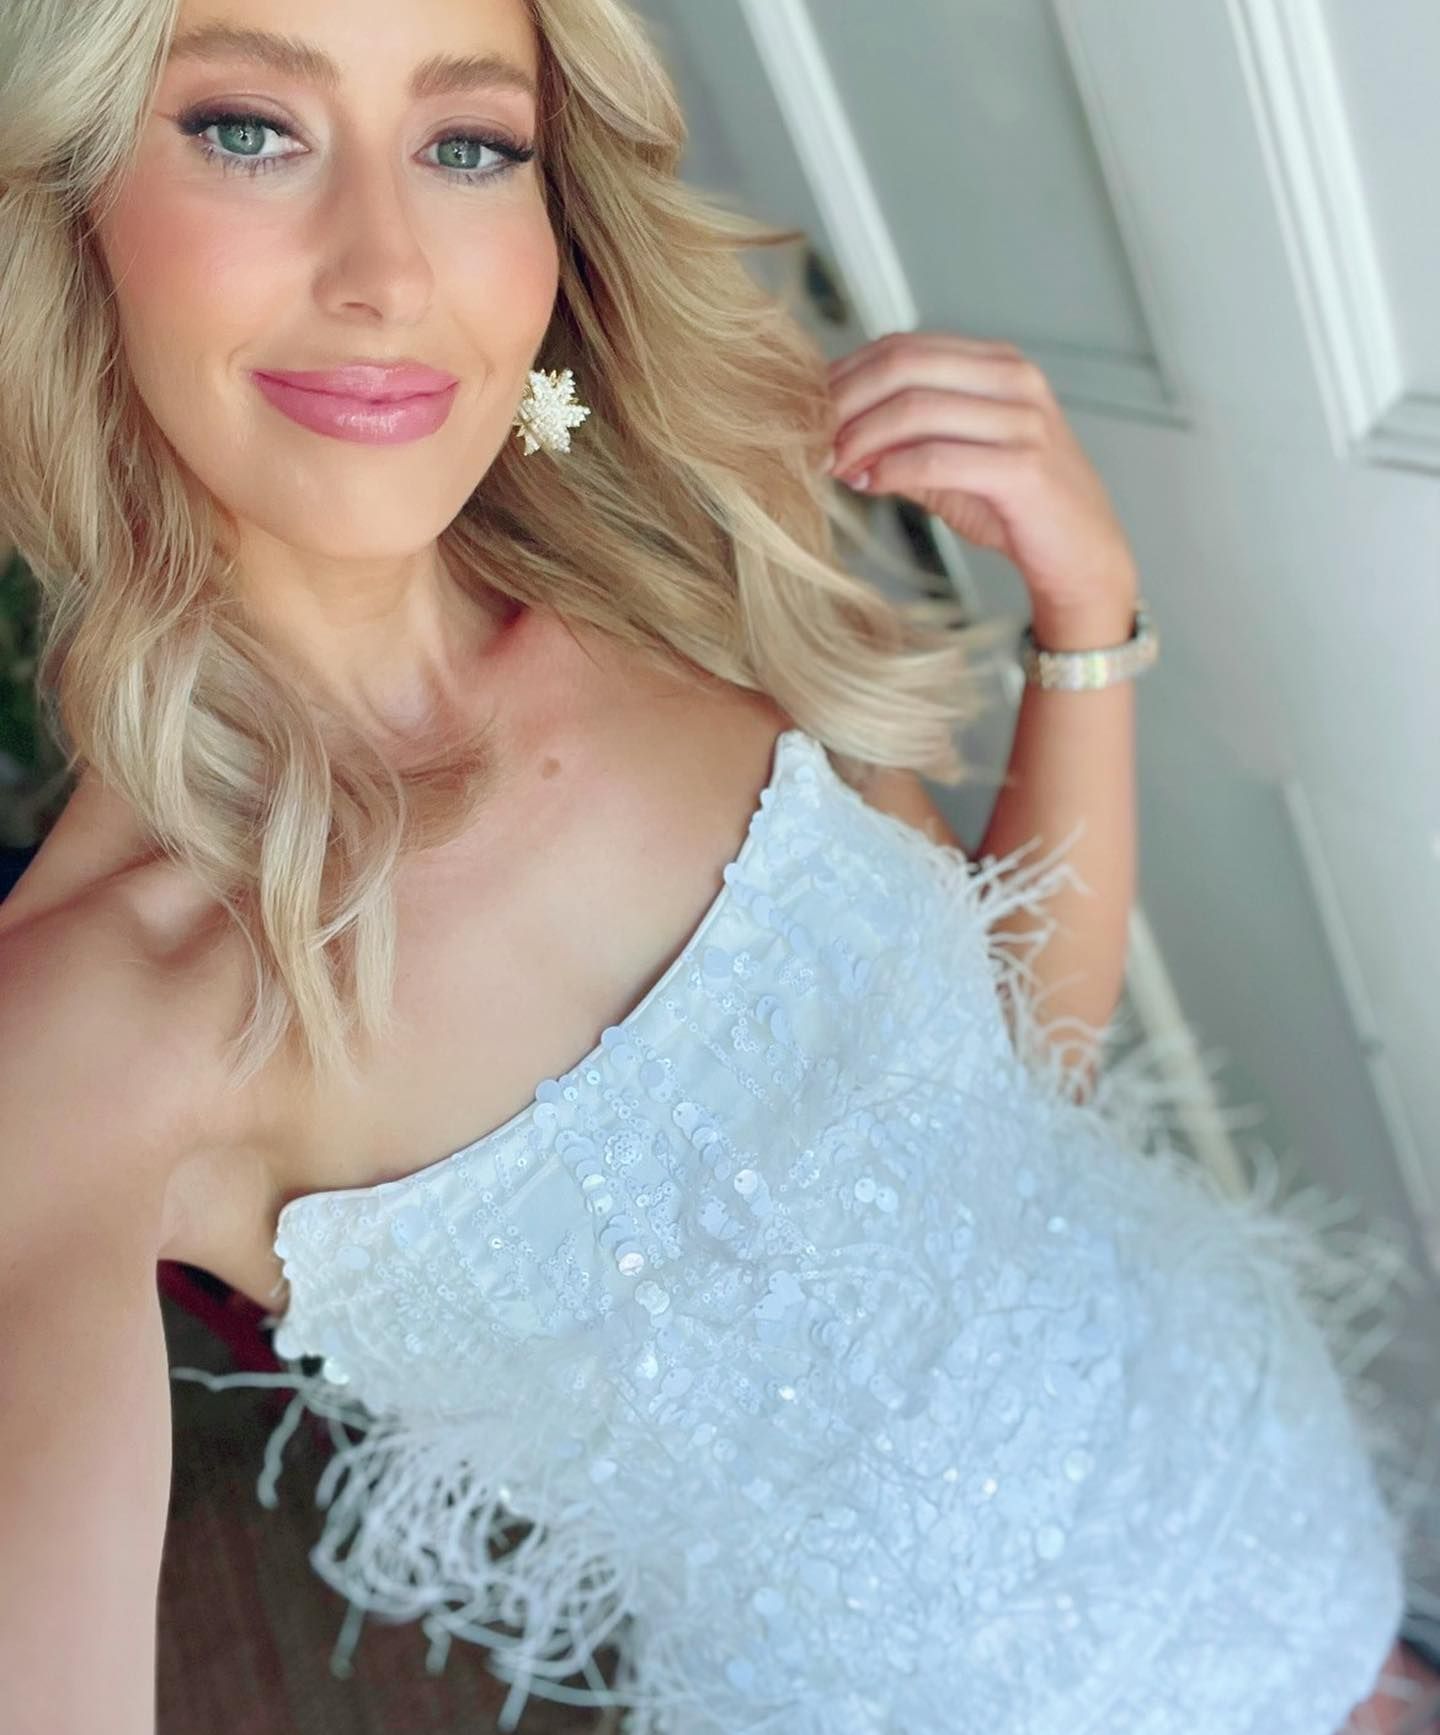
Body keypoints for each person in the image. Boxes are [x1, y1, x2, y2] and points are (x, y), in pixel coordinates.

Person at [0, 0, 1436, 1731]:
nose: (387, 269)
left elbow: (1009, 1076)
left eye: (469, 145)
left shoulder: (676, 557)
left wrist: (1086, 617)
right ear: (71, 191)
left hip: (1243, 1461)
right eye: (249, 130)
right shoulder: (89, 1033)